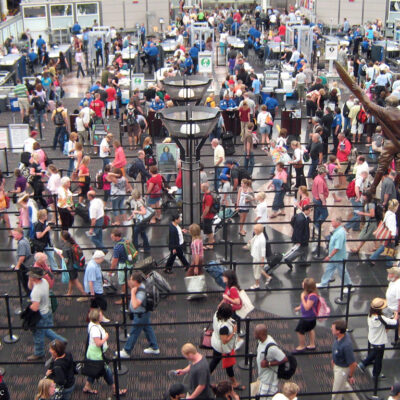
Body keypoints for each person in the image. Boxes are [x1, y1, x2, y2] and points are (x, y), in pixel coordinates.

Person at [83, 308, 127, 396]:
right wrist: (106, 337)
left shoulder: (92, 324)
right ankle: (115, 390)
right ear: (97, 317)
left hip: (94, 352)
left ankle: (87, 386)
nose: (102, 316)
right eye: (101, 315)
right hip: (96, 354)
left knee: (94, 369)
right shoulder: (95, 330)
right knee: (107, 372)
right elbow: (98, 343)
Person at [27, 267, 67, 361]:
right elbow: (30, 286)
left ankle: (39, 353)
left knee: (38, 334)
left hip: (40, 315)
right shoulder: (44, 281)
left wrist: (28, 309)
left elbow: (35, 307)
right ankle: (61, 341)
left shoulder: (36, 292)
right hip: (47, 310)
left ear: (34, 277)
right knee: (46, 330)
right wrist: (30, 279)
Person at [117, 271, 160, 357]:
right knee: (148, 329)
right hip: (143, 314)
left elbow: (136, 305)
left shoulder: (141, 292)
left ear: (136, 281)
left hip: (141, 315)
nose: (130, 280)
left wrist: (132, 293)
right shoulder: (138, 286)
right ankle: (155, 348)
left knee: (134, 332)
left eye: (131, 279)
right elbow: (131, 286)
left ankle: (126, 351)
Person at [357, 298, 398, 378]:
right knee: (378, 358)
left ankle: (365, 365)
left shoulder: (370, 315)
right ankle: (374, 372)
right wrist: (396, 314)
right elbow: (394, 322)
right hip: (379, 341)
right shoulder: (381, 318)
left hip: (373, 338)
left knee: (375, 353)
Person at [210, 303, 243, 389]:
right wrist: (234, 332)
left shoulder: (216, 314)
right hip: (224, 348)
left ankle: (204, 379)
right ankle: (234, 383)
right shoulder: (224, 327)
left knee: (214, 361)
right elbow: (224, 340)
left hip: (216, 343)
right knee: (229, 365)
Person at [317, 216, 354, 293]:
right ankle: (323, 283)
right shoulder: (338, 231)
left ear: (337, 222)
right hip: (334, 257)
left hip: (338, 257)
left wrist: (329, 256)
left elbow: (338, 247)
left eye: (333, 221)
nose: (331, 222)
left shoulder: (340, 233)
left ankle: (349, 286)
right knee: (329, 270)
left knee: (342, 272)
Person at [254, 324, 288, 398]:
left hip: (269, 380)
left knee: (264, 397)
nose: (254, 334)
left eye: (255, 332)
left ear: (260, 334)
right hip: (263, 376)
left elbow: (285, 358)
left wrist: (269, 363)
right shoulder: (261, 341)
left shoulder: (272, 348)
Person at [330, 320, 359, 400]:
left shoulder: (346, 345)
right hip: (337, 366)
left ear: (338, 331)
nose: (331, 329)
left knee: (336, 394)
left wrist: (350, 376)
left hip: (341, 370)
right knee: (344, 386)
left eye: (333, 328)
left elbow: (352, 364)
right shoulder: (339, 337)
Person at [369, 199, 398, 266]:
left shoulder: (387, 213)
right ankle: (389, 262)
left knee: (384, 246)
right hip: (390, 234)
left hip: (386, 233)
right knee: (390, 248)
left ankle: (373, 258)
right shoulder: (393, 215)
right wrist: (393, 236)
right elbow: (392, 227)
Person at [59, 230, 87, 301]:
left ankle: (84, 294)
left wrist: (61, 255)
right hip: (74, 265)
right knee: (71, 280)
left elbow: (66, 260)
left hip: (70, 267)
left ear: (63, 237)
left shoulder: (65, 247)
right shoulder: (72, 243)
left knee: (75, 281)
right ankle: (69, 294)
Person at [293, 277, 319, 352]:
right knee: (310, 330)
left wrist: (302, 298)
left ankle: (302, 346)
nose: (302, 283)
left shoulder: (312, 296)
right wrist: (299, 308)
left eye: (303, 282)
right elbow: (305, 305)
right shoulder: (309, 294)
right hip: (310, 317)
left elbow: (307, 307)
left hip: (307, 318)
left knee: (300, 331)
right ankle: (312, 344)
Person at [84, 250, 109, 322]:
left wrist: (102, 280)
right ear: (98, 258)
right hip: (95, 290)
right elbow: (90, 281)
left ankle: (90, 318)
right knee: (103, 303)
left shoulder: (95, 263)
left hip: (96, 288)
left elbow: (97, 275)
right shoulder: (92, 267)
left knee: (94, 304)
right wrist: (92, 293)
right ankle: (100, 317)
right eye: (102, 258)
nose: (103, 260)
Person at [284, 204, 312, 270]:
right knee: (301, 250)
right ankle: (289, 259)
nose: (310, 212)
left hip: (301, 237)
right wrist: (299, 241)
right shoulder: (302, 219)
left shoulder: (299, 216)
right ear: (306, 210)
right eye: (309, 210)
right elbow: (299, 231)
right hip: (302, 238)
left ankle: (303, 261)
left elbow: (292, 222)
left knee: (305, 250)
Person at [12, 226, 34, 295]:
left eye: (15, 234)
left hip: (24, 265)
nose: (13, 236)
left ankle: (29, 295)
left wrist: (17, 266)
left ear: (20, 234)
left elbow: (22, 257)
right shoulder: (25, 239)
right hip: (29, 264)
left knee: (25, 281)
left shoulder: (21, 243)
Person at [250, 224, 272, 289]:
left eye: (255, 230)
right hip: (256, 255)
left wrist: (262, 260)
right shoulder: (258, 235)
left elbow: (263, 250)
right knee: (259, 269)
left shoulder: (262, 239)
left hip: (258, 257)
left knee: (256, 270)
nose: (254, 231)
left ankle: (257, 284)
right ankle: (268, 277)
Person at [128, 189, 150, 253]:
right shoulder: (142, 199)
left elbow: (144, 212)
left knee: (135, 235)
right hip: (143, 221)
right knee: (143, 233)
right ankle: (146, 247)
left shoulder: (138, 202)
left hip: (139, 221)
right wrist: (131, 216)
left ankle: (135, 249)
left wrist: (136, 212)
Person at [385, 267, 400, 345]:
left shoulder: (398, 286)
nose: (388, 275)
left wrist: (398, 313)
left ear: (395, 275)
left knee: (385, 326)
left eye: (390, 273)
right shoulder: (392, 282)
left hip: (394, 310)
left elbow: (399, 301)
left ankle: (378, 341)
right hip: (389, 308)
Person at [311, 165, 329, 232]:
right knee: (325, 214)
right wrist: (323, 202)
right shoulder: (321, 181)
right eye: (325, 173)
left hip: (315, 198)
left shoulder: (316, 178)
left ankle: (315, 227)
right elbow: (320, 193)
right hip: (319, 200)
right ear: (323, 173)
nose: (326, 174)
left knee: (317, 214)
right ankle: (316, 226)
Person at [201, 183, 215, 249]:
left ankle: (210, 244)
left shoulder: (208, 196)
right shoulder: (206, 194)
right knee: (207, 229)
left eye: (201, 187)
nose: (201, 188)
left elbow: (207, 208)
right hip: (207, 215)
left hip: (208, 216)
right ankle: (211, 240)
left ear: (204, 188)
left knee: (209, 230)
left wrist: (203, 216)